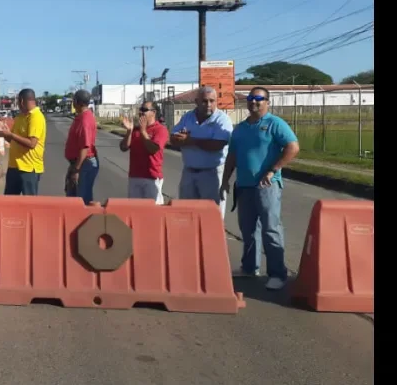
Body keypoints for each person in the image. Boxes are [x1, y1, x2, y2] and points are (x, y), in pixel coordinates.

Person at [220, 87, 300, 291]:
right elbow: (232, 156)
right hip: (244, 185)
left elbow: (293, 147)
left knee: (271, 228)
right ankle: (250, 267)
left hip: (267, 185)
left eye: (259, 98)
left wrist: (274, 170)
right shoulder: (240, 128)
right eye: (250, 98)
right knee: (248, 230)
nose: (254, 102)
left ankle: (277, 273)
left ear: (267, 102)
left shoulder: (274, 124)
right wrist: (225, 181)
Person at [170, 86, 234, 219]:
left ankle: (212, 240)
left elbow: (217, 144)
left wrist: (190, 140)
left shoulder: (222, 119)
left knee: (212, 216)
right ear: (197, 101)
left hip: (212, 174)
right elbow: (172, 138)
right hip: (189, 172)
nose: (209, 105)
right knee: (186, 214)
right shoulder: (188, 117)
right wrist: (178, 139)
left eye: (212, 101)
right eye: (205, 101)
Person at [0, 88, 47, 195]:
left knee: (28, 204)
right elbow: (12, 140)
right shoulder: (20, 117)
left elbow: (32, 144)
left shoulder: (36, 117)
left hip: (29, 168)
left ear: (22, 101)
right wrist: (6, 134)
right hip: (14, 166)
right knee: (10, 202)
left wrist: (11, 135)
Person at [119, 100, 169, 202]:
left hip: (152, 178)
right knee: (135, 211)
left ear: (153, 112)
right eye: (140, 109)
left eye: (144, 110)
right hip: (135, 176)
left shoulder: (160, 130)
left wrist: (143, 131)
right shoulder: (136, 130)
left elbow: (152, 149)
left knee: (153, 212)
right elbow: (123, 147)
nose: (141, 112)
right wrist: (129, 131)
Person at [64, 89, 99, 204]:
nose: (72, 103)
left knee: (82, 199)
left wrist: (77, 169)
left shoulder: (85, 120)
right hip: (78, 163)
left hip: (84, 164)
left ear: (78, 102)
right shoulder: (81, 117)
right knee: (73, 196)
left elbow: (85, 147)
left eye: (73, 100)